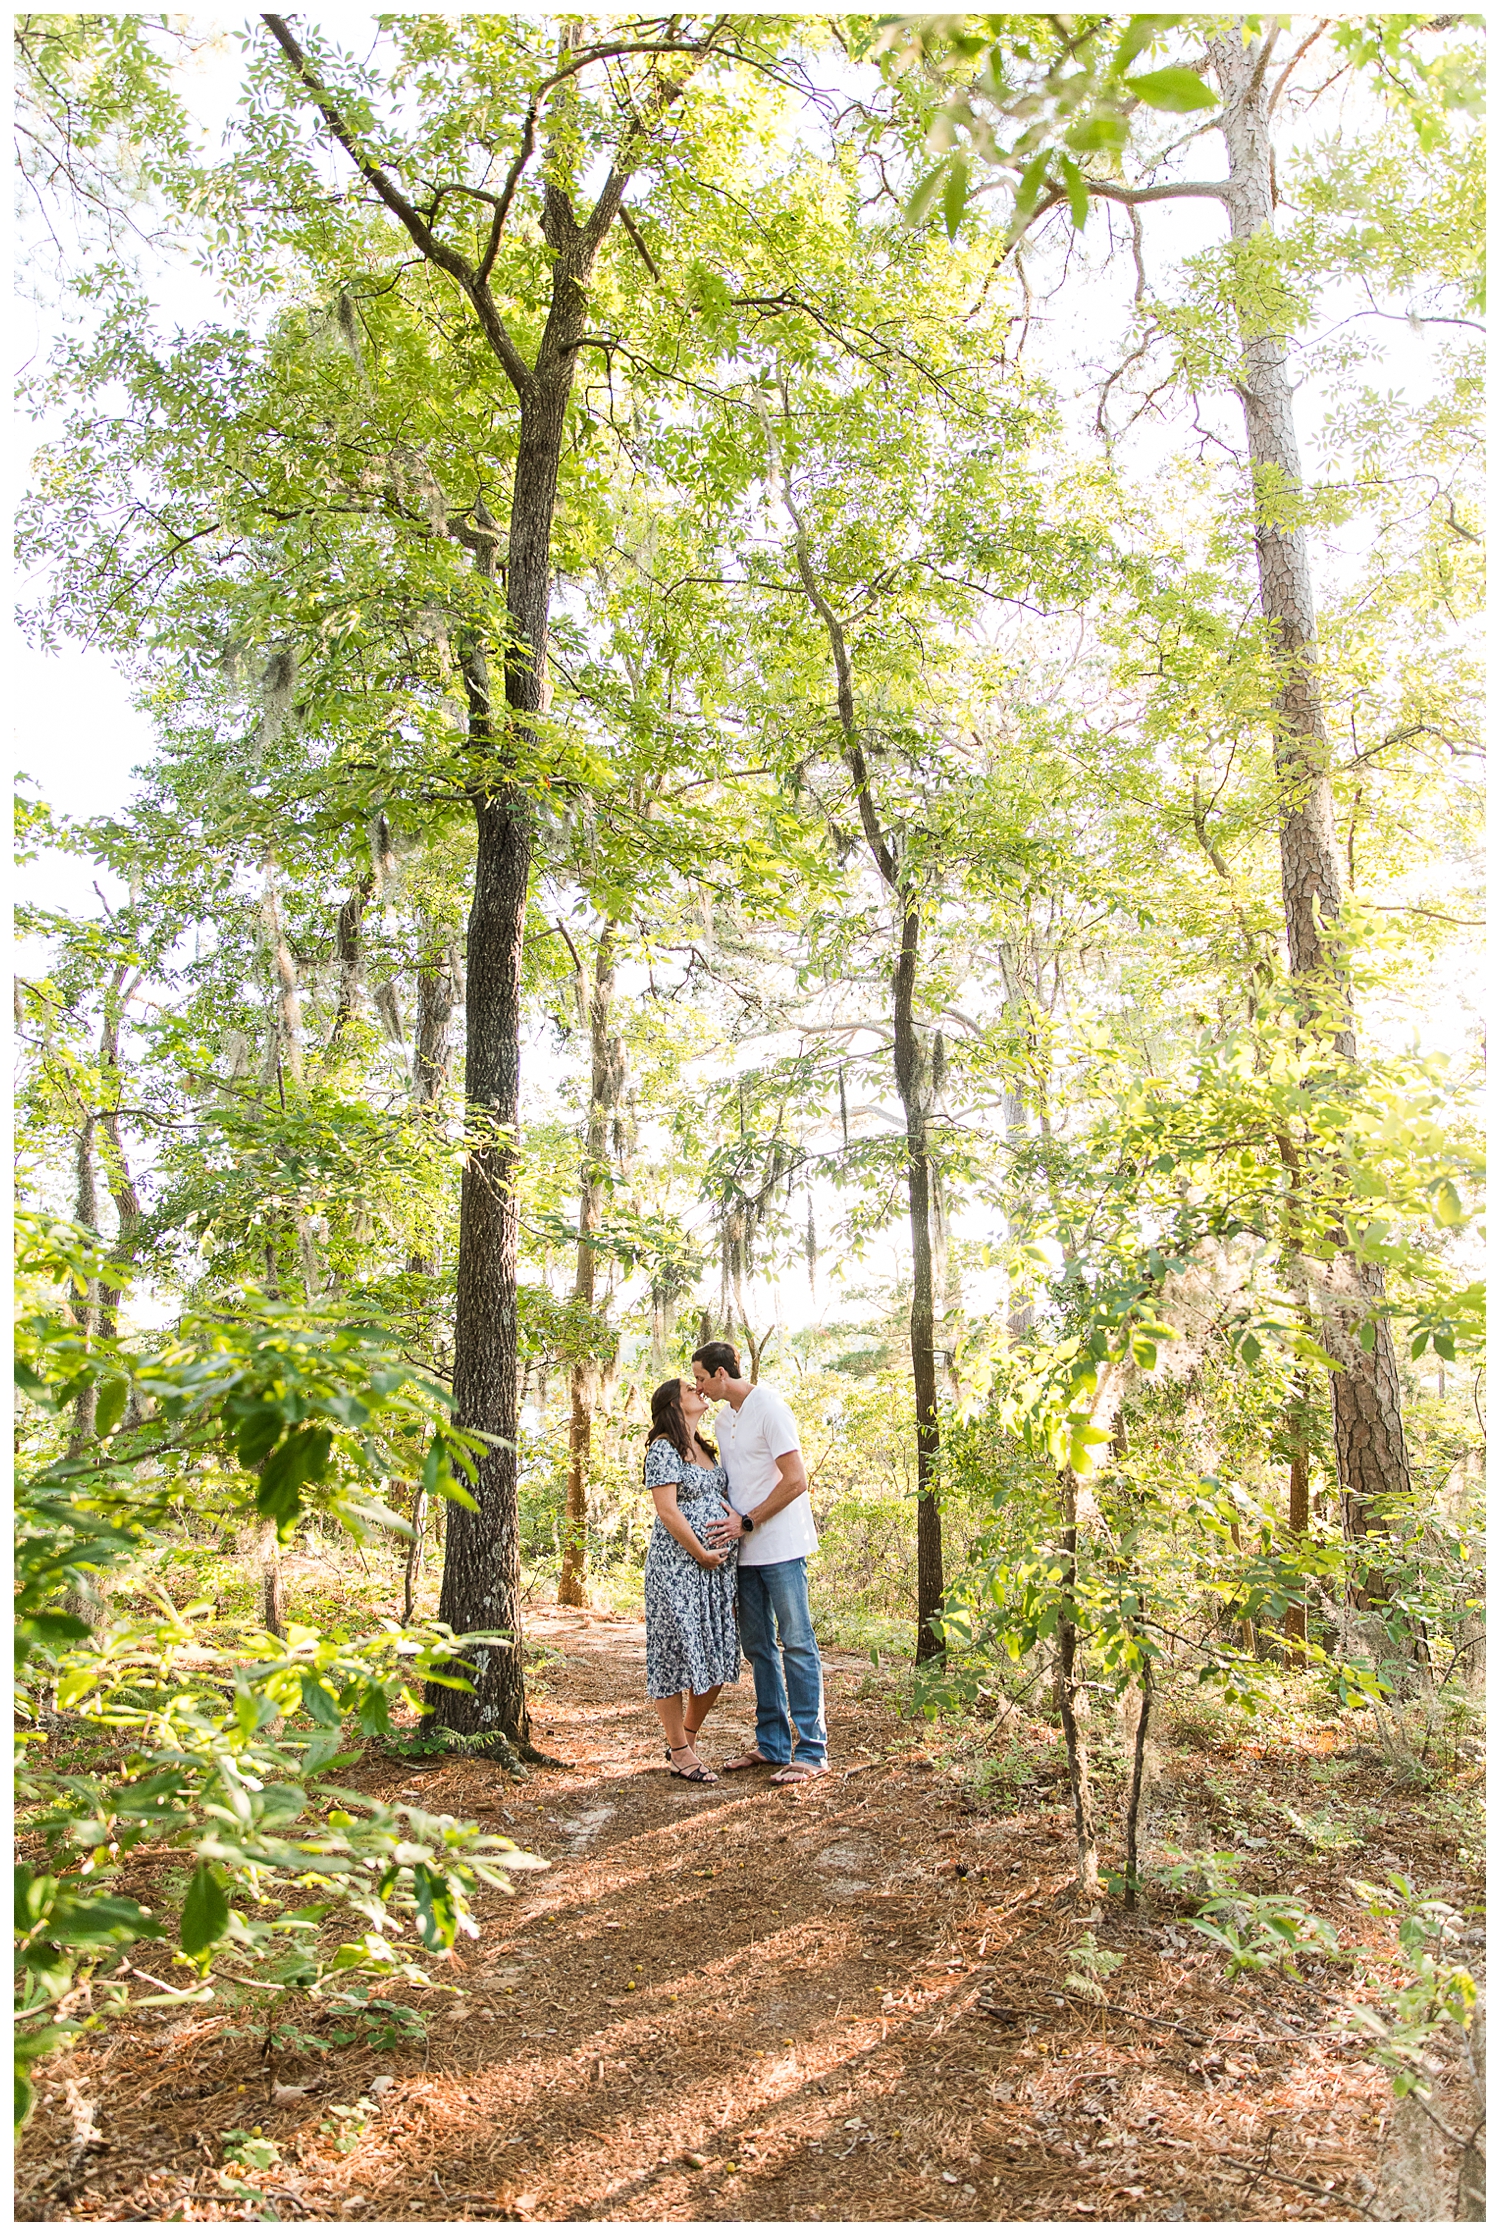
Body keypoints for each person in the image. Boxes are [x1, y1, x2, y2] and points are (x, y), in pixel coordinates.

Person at [692, 1340, 828, 1784]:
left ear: (721, 1374)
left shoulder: (770, 1407)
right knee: (759, 1650)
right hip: (743, 1556)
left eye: (700, 1378)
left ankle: (811, 1751)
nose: (699, 1387)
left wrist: (748, 1521)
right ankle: (772, 1745)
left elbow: (796, 1481)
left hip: (782, 1549)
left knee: (797, 1643)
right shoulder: (722, 1418)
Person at [641, 1375, 741, 1785]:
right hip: (676, 1568)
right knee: (673, 1654)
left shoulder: (705, 1448)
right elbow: (667, 1510)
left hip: (715, 1573)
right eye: (688, 1388)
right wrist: (700, 1552)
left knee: (718, 1654)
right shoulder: (664, 1448)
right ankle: (680, 1751)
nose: (697, 1390)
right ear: (673, 1404)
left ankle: (686, 1740)